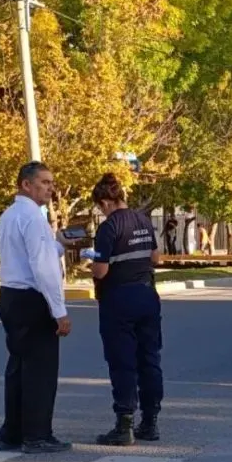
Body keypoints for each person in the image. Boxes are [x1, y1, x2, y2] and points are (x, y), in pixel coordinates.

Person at [0, 161, 73, 453]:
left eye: (51, 183)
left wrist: (59, 244)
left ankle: (12, 433)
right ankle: (37, 435)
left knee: (18, 366)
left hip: (10, 296)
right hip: (31, 298)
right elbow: (44, 268)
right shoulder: (33, 218)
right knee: (40, 369)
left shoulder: (9, 216)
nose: (50, 188)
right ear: (26, 185)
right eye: (44, 182)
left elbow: (30, 254)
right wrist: (59, 310)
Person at [86, 174, 164, 446]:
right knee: (149, 358)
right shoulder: (142, 220)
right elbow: (155, 257)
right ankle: (150, 421)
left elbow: (101, 269)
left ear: (106, 201)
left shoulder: (109, 228)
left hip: (119, 298)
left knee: (122, 362)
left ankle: (124, 424)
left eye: (100, 206)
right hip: (147, 294)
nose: (101, 210)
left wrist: (91, 263)